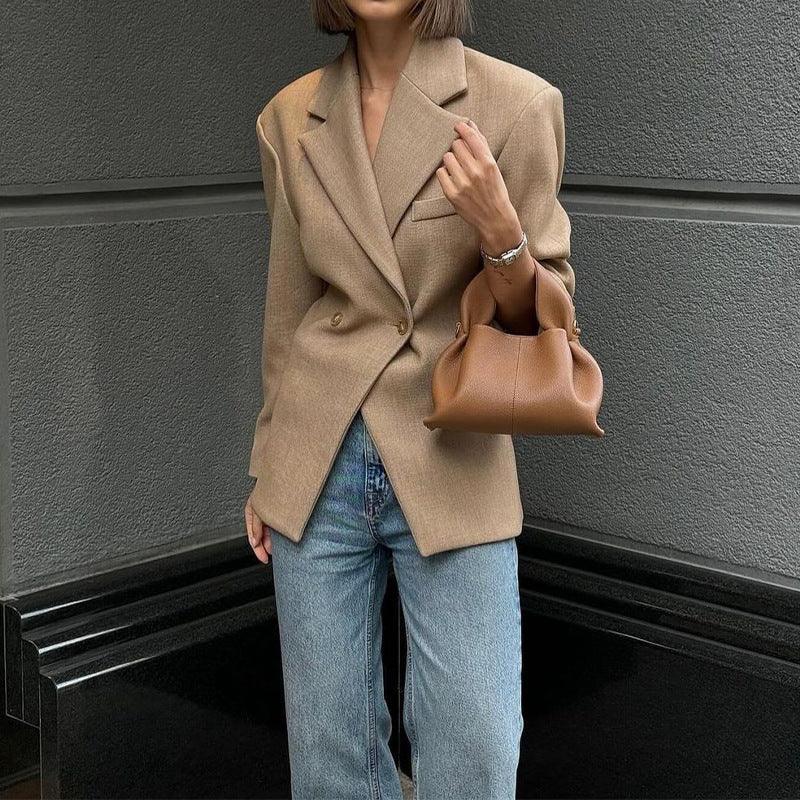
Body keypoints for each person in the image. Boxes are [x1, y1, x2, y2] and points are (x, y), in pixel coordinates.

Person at [244, 0, 575, 797]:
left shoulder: (518, 104)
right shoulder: (290, 117)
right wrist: (266, 465)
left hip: (448, 453)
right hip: (316, 459)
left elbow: (549, 321)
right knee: (329, 765)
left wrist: (501, 233)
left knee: (476, 754)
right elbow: (289, 311)